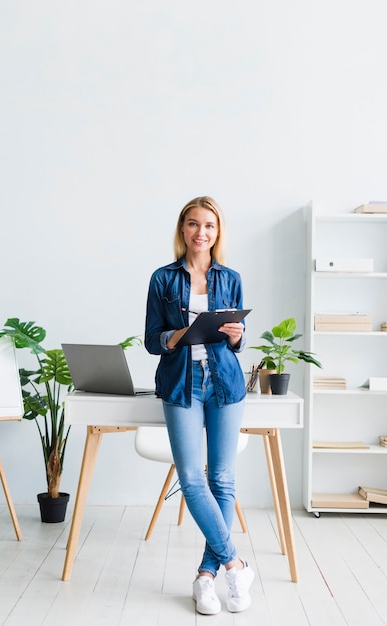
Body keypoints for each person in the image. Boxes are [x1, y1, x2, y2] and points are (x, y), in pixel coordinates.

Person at [144, 196, 254, 615]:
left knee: (223, 480)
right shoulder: (162, 278)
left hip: (223, 384)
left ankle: (206, 578)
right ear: (182, 229)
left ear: (217, 232)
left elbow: (240, 341)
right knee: (193, 479)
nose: (201, 233)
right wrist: (176, 336)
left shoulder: (231, 277)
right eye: (193, 224)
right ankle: (236, 564)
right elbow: (152, 338)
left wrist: (234, 334)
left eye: (209, 226)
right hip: (181, 383)